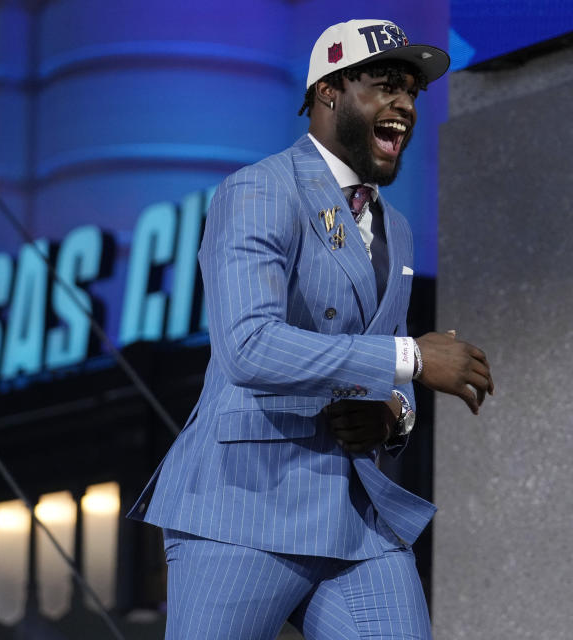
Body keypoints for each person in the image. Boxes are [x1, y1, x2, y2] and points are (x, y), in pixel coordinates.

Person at [129, 18, 493, 640]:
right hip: (244, 505)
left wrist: (392, 416)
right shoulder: (259, 190)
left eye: (411, 91)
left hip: (354, 511)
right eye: (384, 85)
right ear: (328, 91)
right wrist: (408, 359)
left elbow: (379, 364)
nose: (404, 103)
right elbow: (248, 347)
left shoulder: (395, 227)